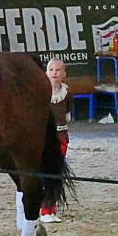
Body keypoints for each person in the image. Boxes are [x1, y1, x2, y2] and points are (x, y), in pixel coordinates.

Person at [40, 58, 71, 224]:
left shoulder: (66, 93)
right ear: (46, 73)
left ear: (63, 73)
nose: (54, 73)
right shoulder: (42, 93)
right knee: (46, 173)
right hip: (45, 139)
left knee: (56, 174)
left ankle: (50, 209)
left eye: (58, 70)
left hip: (61, 138)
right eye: (51, 70)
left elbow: (67, 113)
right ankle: (44, 210)